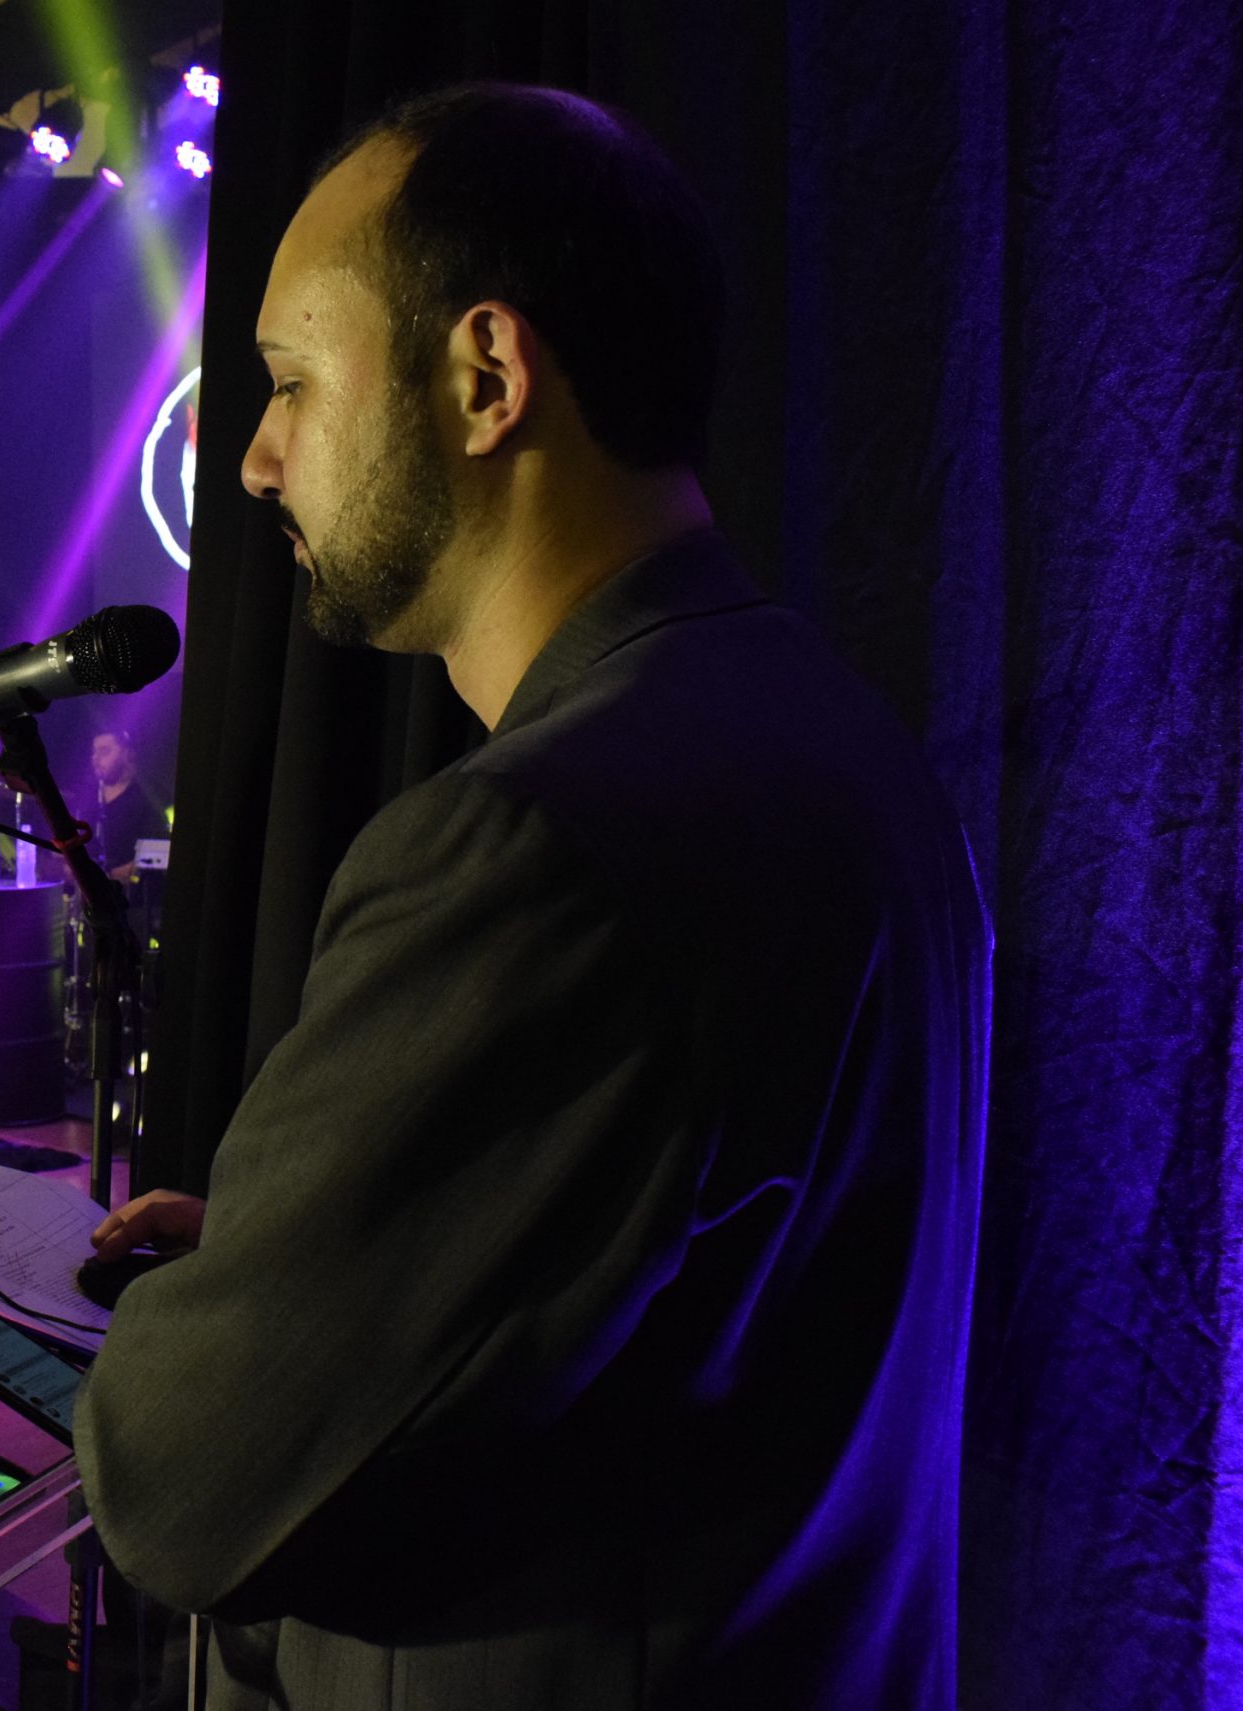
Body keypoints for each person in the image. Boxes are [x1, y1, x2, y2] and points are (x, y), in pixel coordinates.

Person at [73, 84, 988, 1709]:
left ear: (486, 376)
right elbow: (657, 1299)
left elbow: (177, 1479)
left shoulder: (536, 843)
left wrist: (190, 1324)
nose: (260, 460)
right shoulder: (838, 740)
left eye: (290, 382)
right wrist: (312, 1259)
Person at [85, 727, 162, 881]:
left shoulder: (147, 797)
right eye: (94, 752)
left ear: (127, 754)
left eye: (104, 751)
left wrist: (117, 875)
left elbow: (158, 854)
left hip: (134, 891)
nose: (95, 758)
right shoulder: (87, 797)